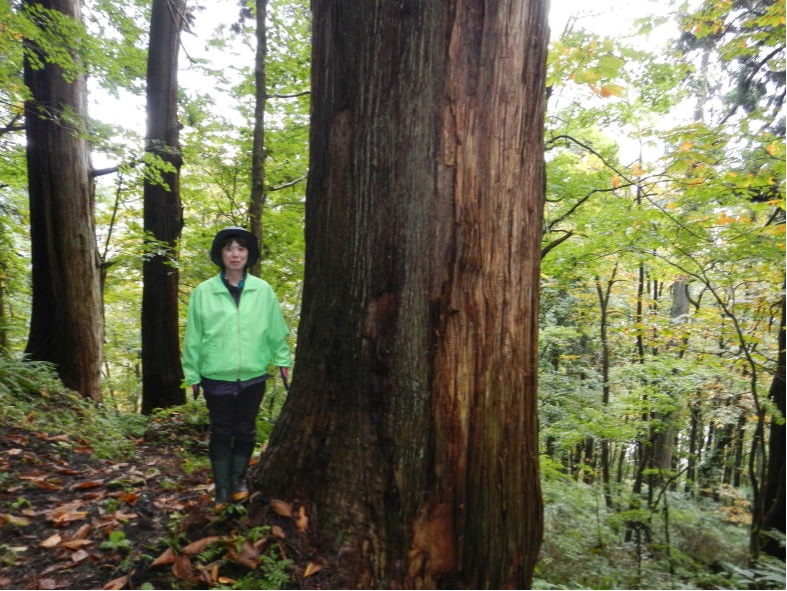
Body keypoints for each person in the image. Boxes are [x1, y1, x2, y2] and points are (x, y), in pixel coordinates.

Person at [182, 226, 292, 509]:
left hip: (254, 374)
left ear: (248, 255)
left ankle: (239, 480)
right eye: (229, 248)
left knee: (245, 430)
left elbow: (275, 329)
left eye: (241, 249)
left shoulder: (262, 290)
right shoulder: (204, 293)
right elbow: (193, 336)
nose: (235, 254)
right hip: (216, 375)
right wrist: (192, 374)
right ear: (220, 254)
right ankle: (221, 489)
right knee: (221, 431)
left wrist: (282, 360)